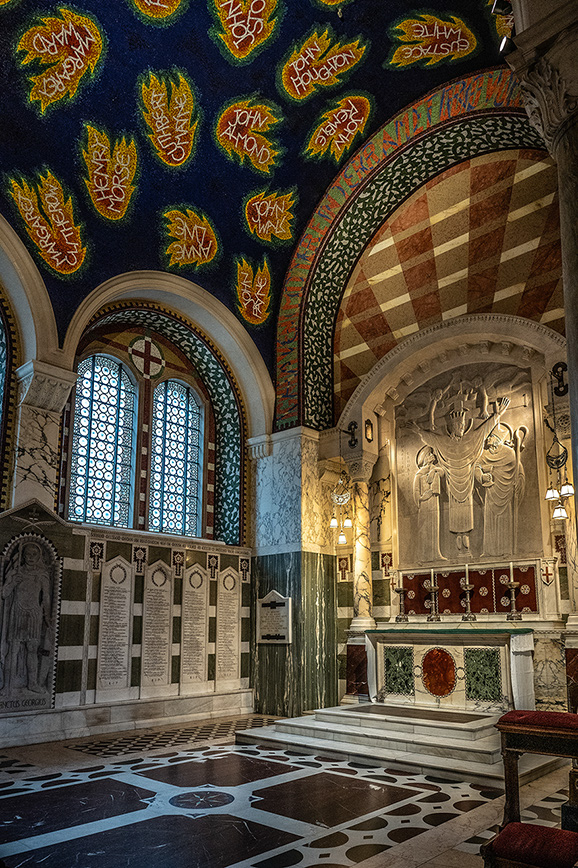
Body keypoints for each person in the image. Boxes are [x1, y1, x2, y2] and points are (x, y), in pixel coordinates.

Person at [412, 392, 510, 553]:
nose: (461, 428)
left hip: (468, 482)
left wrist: (498, 414)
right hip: (452, 484)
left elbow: (484, 431)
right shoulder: (445, 442)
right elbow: (431, 439)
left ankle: (465, 535)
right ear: (452, 425)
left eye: (463, 425)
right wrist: (417, 430)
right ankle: (458, 535)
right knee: (455, 514)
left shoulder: (470, 440)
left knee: (466, 513)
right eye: (458, 425)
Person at [0, 542, 52, 693]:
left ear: (39, 556)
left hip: (34, 613)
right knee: (13, 649)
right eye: (28, 554)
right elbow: (4, 594)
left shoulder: (42, 574)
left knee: (32, 650)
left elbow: (46, 597)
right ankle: (7, 685)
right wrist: (12, 583)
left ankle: (33, 684)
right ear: (23, 555)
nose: (30, 557)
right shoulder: (17, 572)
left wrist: (47, 615)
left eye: (34, 554)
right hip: (17, 612)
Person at [413, 446, 446, 563]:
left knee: (434, 527)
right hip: (425, 504)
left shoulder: (435, 469)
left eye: (432, 454)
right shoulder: (419, 474)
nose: (432, 456)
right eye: (429, 454)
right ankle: (423, 556)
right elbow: (416, 491)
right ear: (425, 458)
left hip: (434, 502)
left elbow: (442, 472)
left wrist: (433, 470)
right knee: (424, 529)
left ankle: (435, 553)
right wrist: (422, 498)